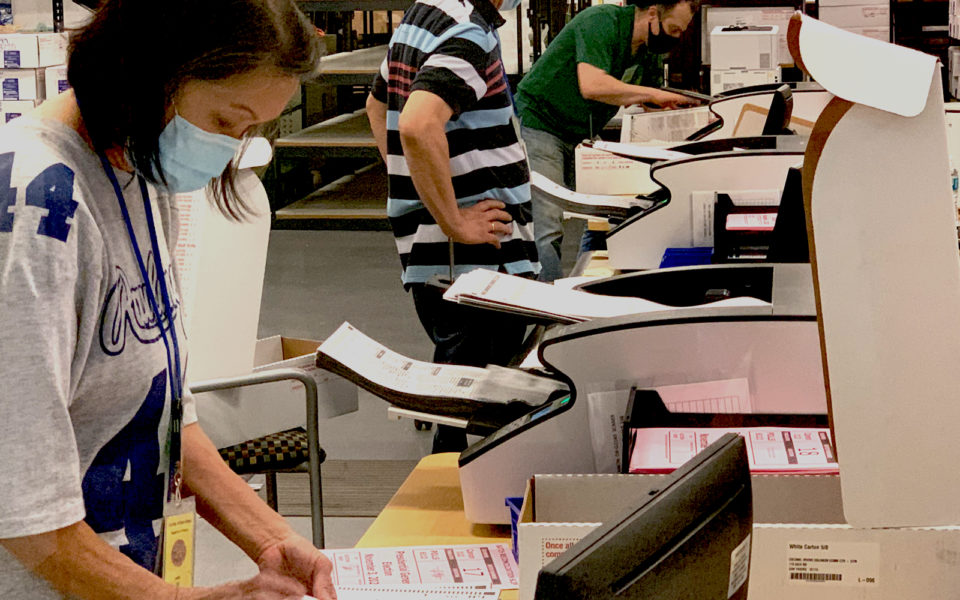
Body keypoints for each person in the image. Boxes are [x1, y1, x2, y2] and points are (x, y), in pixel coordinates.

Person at [0, 1, 337, 598]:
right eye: (226, 121)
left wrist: (272, 541)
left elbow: (165, 419)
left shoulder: (139, 169)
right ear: (149, 72)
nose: (230, 149)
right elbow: (22, 507)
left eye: (251, 130)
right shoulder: (36, 207)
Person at [366, 0, 539, 452]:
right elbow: (417, 124)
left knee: (457, 403)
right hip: (476, 262)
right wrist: (454, 220)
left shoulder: (424, 14)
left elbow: (377, 105)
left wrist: (417, 182)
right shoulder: (468, 32)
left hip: (442, 260)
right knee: (474, 420)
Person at [515, 0, 701, 281]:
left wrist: (680, 109)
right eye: (673, 29)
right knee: (548, 222)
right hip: (543, 122)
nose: (675, 37)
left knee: (598, 214)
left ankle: (583, 283)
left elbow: (648, 99)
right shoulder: (601, 22)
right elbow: (593, 85)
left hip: (582, 132)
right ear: (653, 13)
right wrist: (653, 95)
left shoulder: (647, 51)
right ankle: (543, 298)